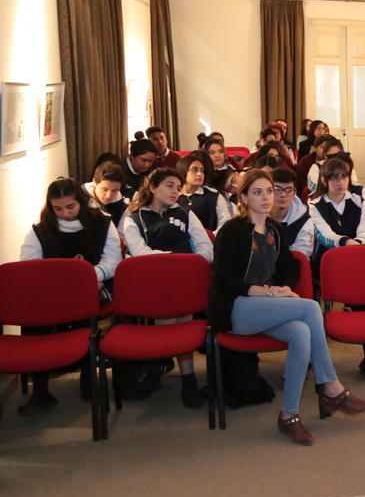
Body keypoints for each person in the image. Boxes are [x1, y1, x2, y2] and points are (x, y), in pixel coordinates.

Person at [210, 168, 365, 445]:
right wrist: (261, 291)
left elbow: (290, 266)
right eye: (257, 192)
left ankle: (289, 415)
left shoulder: (275, 230)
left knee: (300, 332)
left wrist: (285, 287)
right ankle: (332, 388)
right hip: (236, 307)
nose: (266, 197)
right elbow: (222, 279)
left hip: (268, 305)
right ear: (245, 198)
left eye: (269, 191)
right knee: (310, 309)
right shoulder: (232, 231)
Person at [17, 178, 122, 416]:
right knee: (34, 318)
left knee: (85, 313)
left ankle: (88, 379)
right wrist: (64, 278)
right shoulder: (40, 228)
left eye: (70, 207)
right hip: (51, 290)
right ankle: (40, 391)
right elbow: (29, 265)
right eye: (58, 209)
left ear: (81, 203)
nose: (64, 213)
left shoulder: (102, 223)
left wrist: (86, 275)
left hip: (92, 286)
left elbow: (112, 261)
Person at [120, 167, 214, 408]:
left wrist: (189, 265)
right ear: (152, 187)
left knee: (181, 309)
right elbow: (141, 254)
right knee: (175, 312)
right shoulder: (134, 218)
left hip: (185, 278)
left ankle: (156, 366)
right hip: (153, 282)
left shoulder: (185, 213)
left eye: (178, 186)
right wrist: (175, 261)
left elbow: (206, 248)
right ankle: (187, 379)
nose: (176, 191)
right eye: (170, 186)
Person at [309, 155, 365, 255]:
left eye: (344, 177)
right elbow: (325, 234)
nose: (340, 183)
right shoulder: (314, 205)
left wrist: (358, 244)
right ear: (323, 180)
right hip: (331, 253)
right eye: (334, 178)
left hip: (360, 248)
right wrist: (346, 242)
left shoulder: (359, 201)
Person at [176, 152, 232, 233]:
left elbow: (225, 224)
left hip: (210, 242)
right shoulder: (173, 196)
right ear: (183, 171)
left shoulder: (213, 196)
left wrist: (209, 238)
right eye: (194, 170)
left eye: (202, 170)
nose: (200, 174)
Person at [269, 167, 315, 258]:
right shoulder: (257, 214)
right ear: (268, 190)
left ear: (294, 193)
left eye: (289, 190)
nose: (283, 195)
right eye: (277, 189)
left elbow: (301, 255)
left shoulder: (303, 220)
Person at [84, 161, 128, 228]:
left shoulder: (121, 205)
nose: (109, 196)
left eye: (114, 190)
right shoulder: (81, 200)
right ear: (94, 182)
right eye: (105, 189)